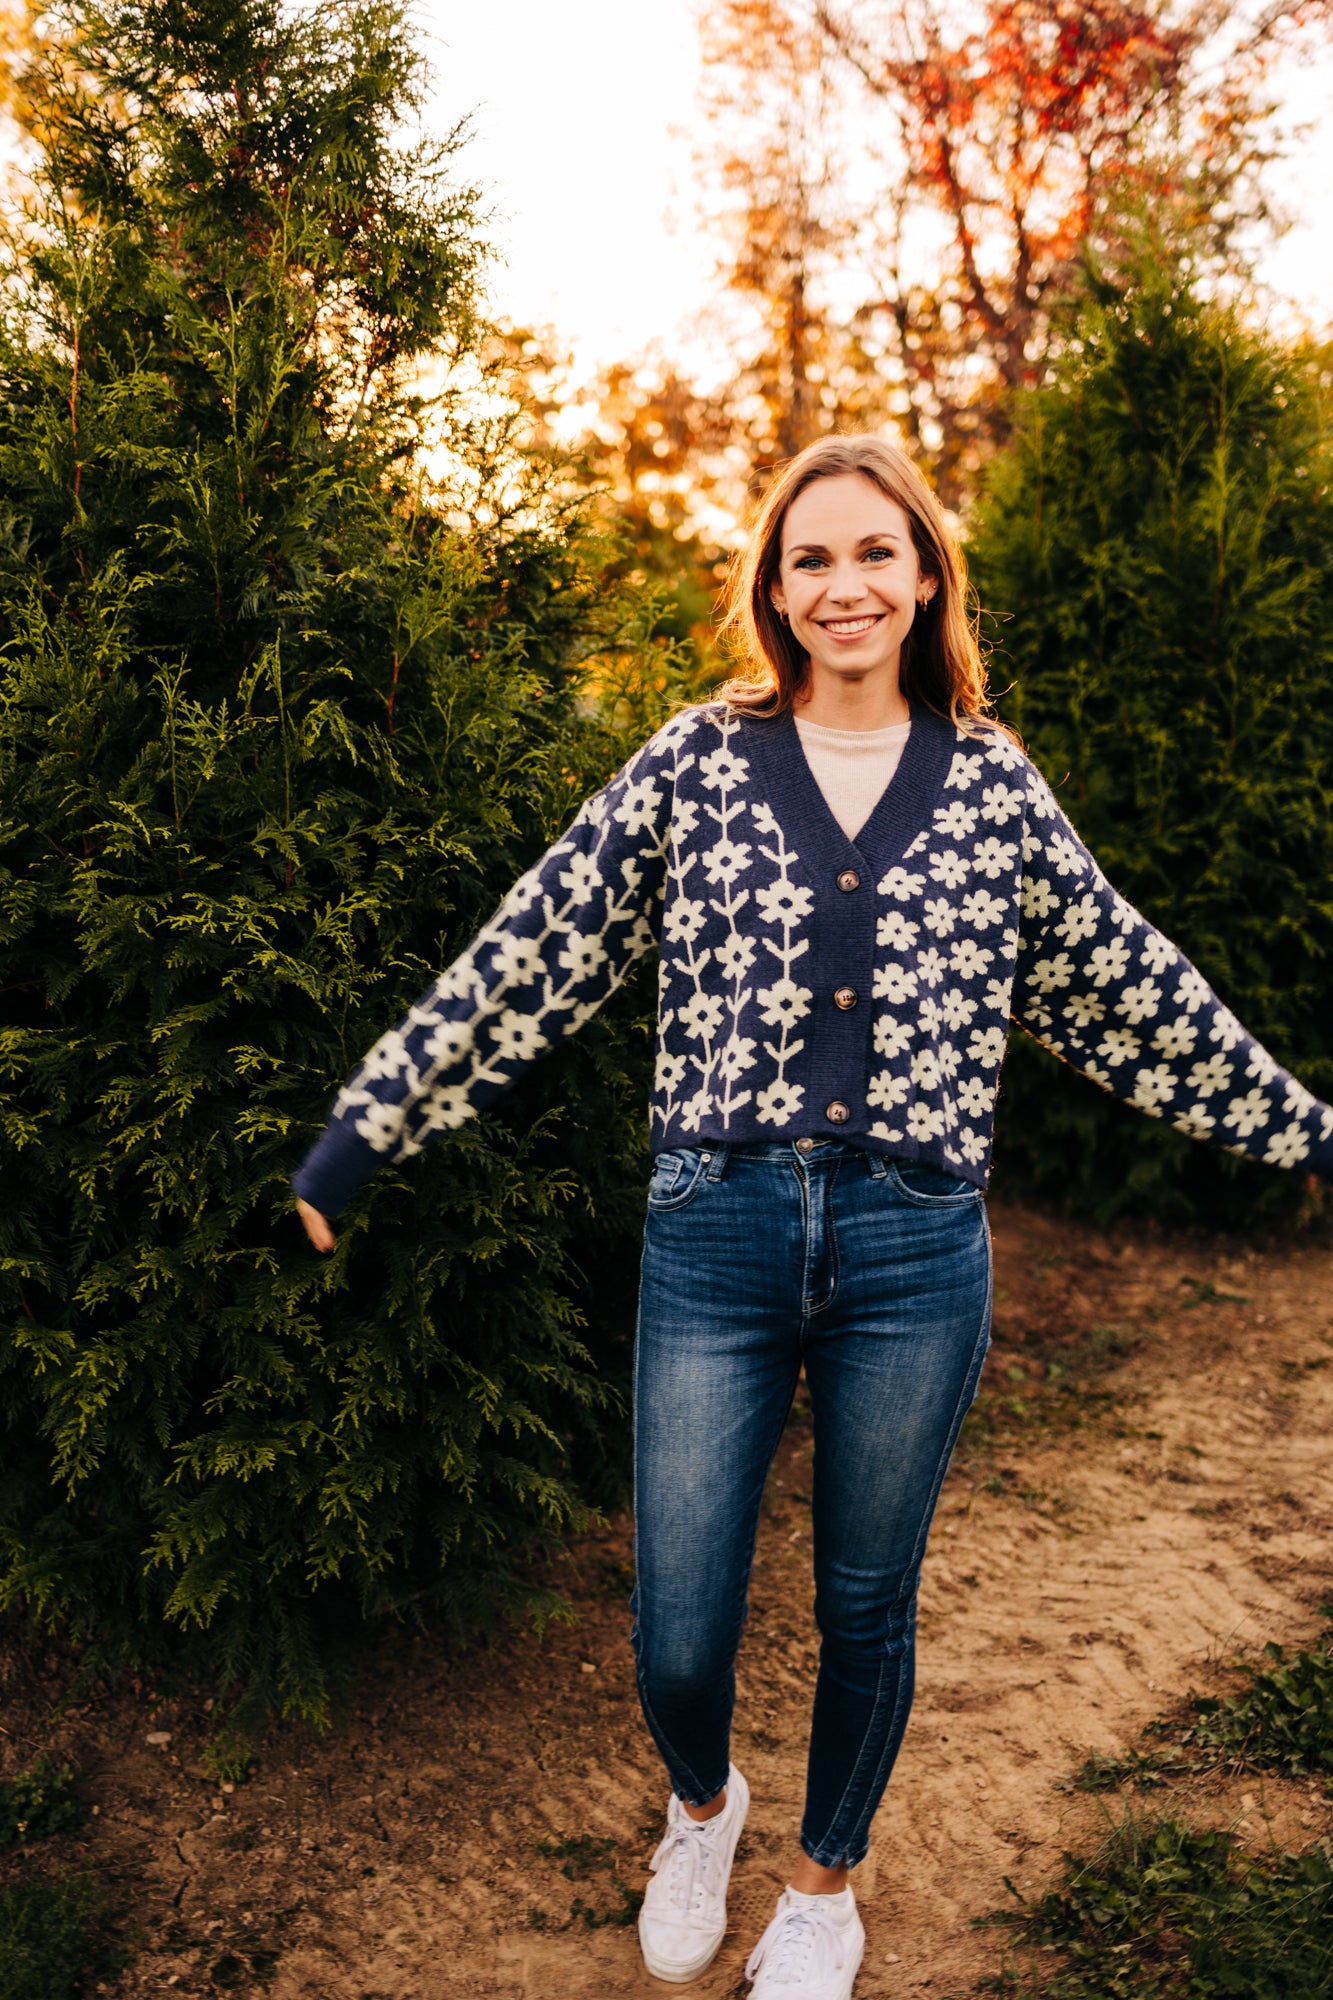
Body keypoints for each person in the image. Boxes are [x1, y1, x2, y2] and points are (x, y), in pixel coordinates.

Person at [293, 435, 1333, 1998]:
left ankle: (821, 1888)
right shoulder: (696, 760)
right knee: (680, 1627)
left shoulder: (988, 784)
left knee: (865, 1598)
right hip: (713, 1231)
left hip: (916, 1250)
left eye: (872, 554)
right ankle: (702, 1806)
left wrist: (1308, 1137)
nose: (841, 586)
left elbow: (1130, 988)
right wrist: (361, 1136)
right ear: (772, 591)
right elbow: (538, 945)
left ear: (924, 579)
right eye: (809, 559)